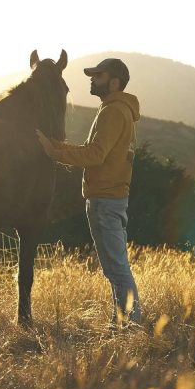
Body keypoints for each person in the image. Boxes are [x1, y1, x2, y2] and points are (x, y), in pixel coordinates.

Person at [36, 57, 142, 326]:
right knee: (115, 268)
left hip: (105, 200)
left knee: (117, 268)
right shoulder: (118, 110)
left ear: (114, 82)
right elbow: (92, 149)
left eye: (98, 76)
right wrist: (56, 145)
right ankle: (123, 322)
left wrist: (54, 154)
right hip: (111, 198)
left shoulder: (113, 112)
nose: (92, 79)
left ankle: (130, 326)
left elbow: (95, 155)